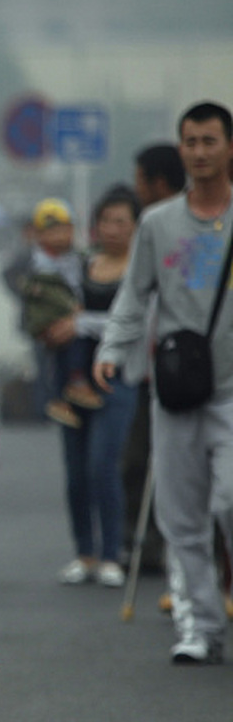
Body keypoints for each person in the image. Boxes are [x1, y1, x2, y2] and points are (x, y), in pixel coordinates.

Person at [97, 102, 233, 665]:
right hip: (176, 389)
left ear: (229, 147)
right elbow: (134, 295)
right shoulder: (157, 224)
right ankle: (200, 625)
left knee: (229, 499)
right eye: (190, 142)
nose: (198, 152)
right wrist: (112, 347)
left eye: (209, 141)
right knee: (180, 516)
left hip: (230, 390)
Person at [45, 187, 140, 588]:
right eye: (105, 221)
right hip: (73, 382)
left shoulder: (140, 271)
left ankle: (111, 553)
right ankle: (84, 552)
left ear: (136, 227)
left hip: (118, 380)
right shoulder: (79, 268)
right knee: (76, 472)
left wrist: (82, 323)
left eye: (121, 221)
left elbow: (136, 322)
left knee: (103, 465)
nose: (112, 229)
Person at [121, 143, 186, 579]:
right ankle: (146, 547)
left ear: (157, 182)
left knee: (196, 481)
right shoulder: (150, 226)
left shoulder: (193, 227)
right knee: (136, 463)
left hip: (196, 371)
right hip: (148, 370)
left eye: (140, 179)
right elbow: (132, 297)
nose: (136, 187)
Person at [18, 198, 102, 428]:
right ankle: (59, 396)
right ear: (38, 234)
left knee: (76, 348)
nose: (58, 236)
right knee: (52, 361)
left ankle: (70, 389)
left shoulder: (82, 258)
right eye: (50, 230)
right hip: (48, 319)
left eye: (62, 229)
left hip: (78, 320)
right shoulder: (34, 262)